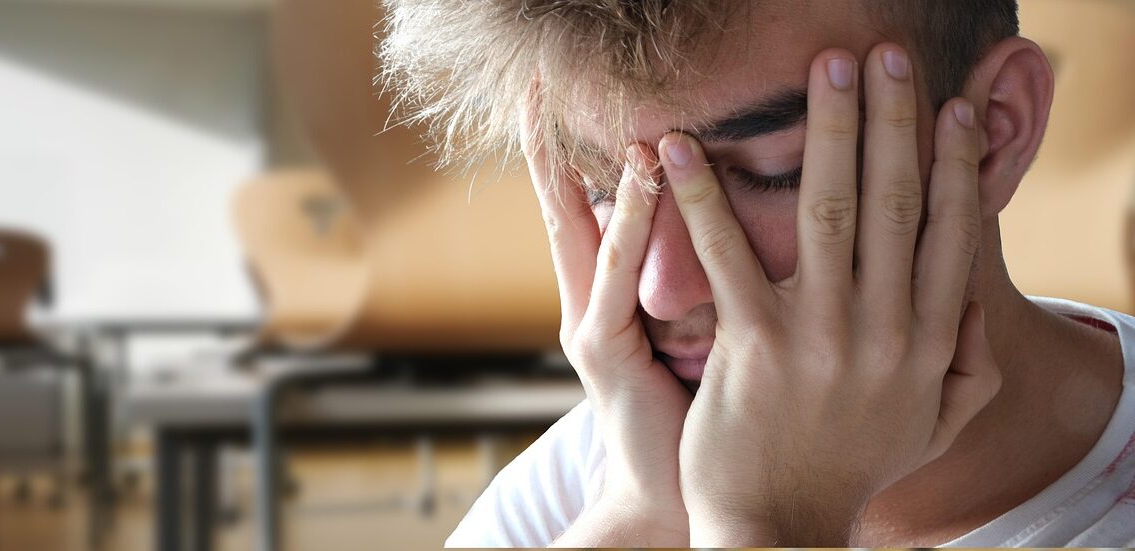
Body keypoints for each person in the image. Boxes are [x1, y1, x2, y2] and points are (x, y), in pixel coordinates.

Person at [379, 0, 1135, 546]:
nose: (662, 289)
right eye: (608, 185)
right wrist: (647, 517)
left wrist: (769, 520)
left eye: (778, 171)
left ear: (996, 130)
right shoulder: (596, 474)